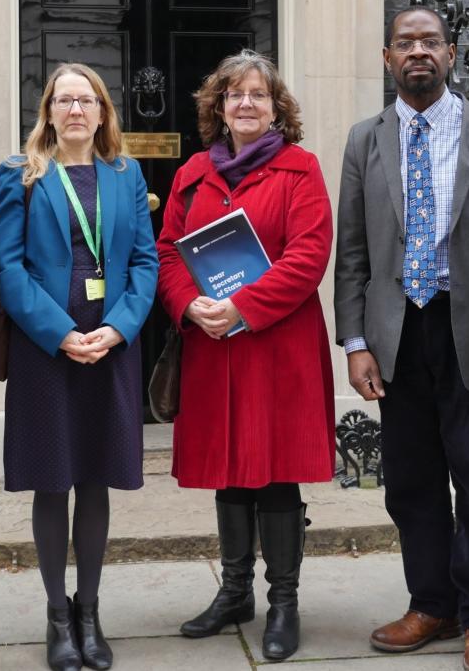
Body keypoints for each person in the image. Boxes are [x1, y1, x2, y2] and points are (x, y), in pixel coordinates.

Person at [334, 6, 469, 671]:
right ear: (387, 57)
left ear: (451, 54)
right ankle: (432, 601)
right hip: (397, 334)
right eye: (404, 42)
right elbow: (355, 253)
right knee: (411, 480)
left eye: (429, 41)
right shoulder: (366, 140)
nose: (417, 51)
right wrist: (356, 340)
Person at [156, 49, 334, 662]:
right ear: (219, 107)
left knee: (275, 467)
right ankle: (235, 593)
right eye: (235, 95)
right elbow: (169, 252)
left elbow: (309, 256)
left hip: (277, 343)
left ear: (276, 106)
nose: (247, 104)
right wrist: (188, 306)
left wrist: (243, 306)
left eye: (259, 94)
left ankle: (283, 601)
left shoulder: (300, 169)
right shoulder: (192, 173)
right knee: (229, 467)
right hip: (212, 345)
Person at [0, 63, 157, 671]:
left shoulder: (125, 173)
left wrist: (120, 326)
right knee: (52, 479)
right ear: (49, 111)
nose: (76, 111)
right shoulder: (21, 174)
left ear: (103, 110)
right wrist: (61, 334)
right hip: (46, 352)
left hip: (111, 345)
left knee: (95, 478)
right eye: (65, 101)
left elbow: (144, 260)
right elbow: (7, 270)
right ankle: (57, 619)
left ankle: (90, 612)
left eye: (86, 100)